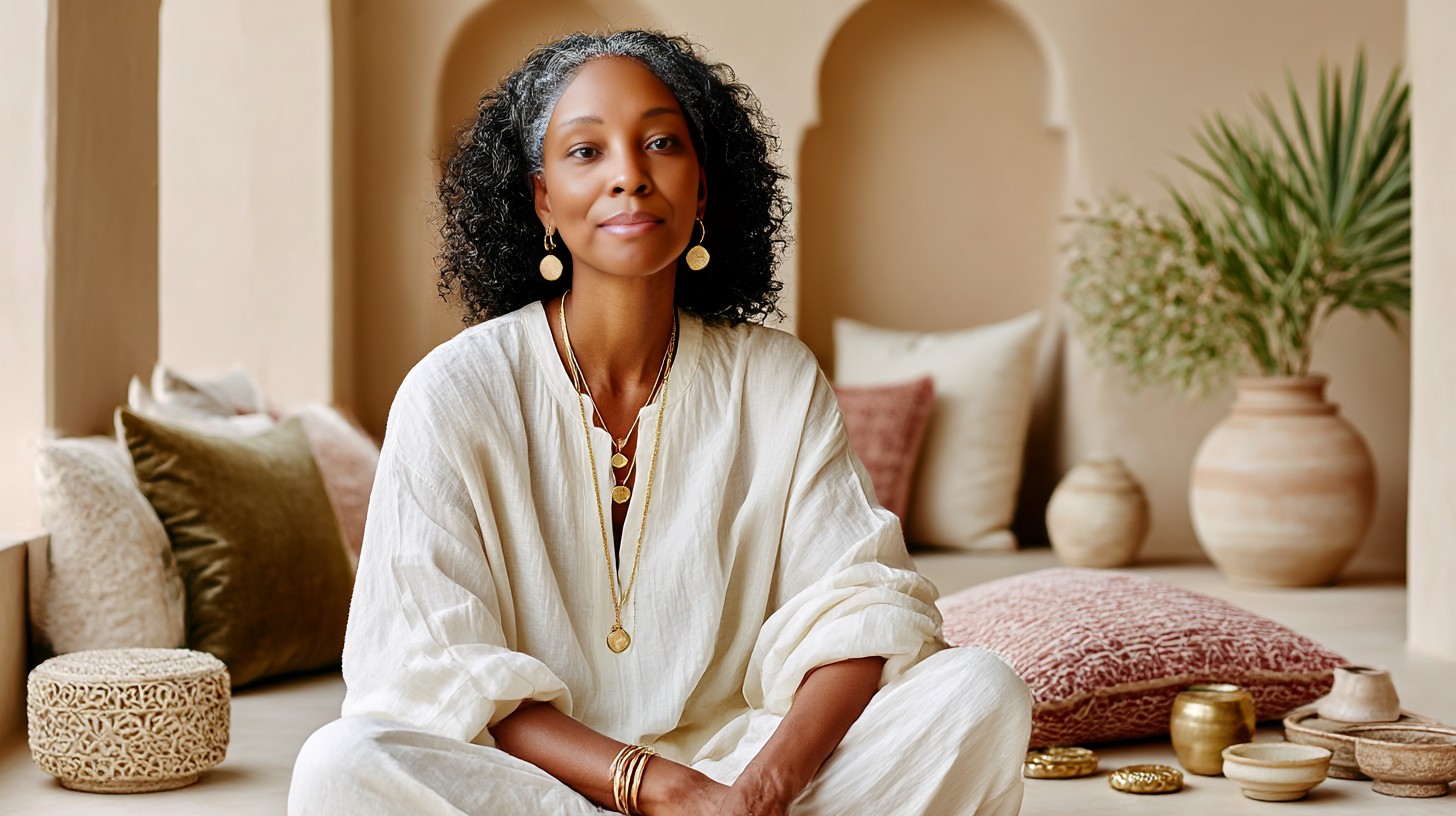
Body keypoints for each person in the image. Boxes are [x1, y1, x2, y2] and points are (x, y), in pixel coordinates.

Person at [289, 30, 1031, 816]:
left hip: (742, 779)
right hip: (539, 791)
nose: (629, 176)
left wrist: (757, 793)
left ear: (702, 189)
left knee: (979, 694)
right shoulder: (452, 392)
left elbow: (863, 611)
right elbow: (433, 665)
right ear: (542, 199)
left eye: (661, 144)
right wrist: (660, 788)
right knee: (344, 767)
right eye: (586, 151)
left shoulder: (775, 380)